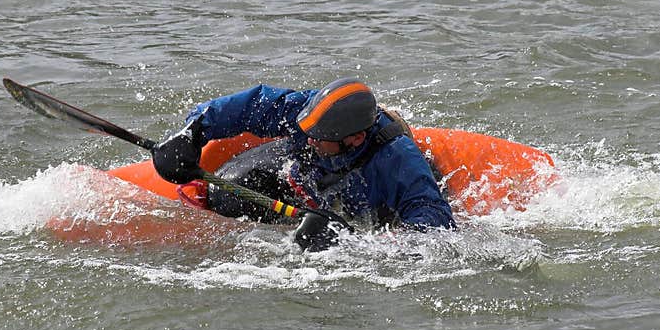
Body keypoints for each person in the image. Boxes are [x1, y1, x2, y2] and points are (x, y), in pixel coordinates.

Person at [151, 77, 457, 250]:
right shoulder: (307, 114)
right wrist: (192, 132)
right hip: (307, 178)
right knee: (224, 193)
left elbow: (436, 230)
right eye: (307, 132)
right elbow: (249, 106)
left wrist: (353, 244)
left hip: (365, 205)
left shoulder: (399, 160)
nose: (309, 139)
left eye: (319, 137)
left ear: (355, 139)